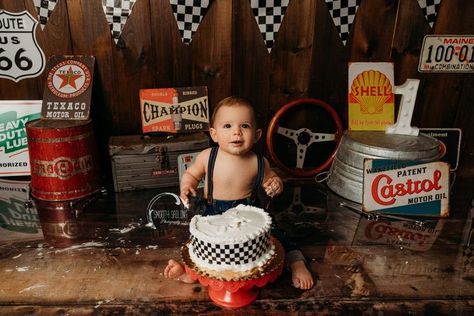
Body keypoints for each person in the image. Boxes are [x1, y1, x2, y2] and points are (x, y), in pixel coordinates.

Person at [164, 96, 314, 290]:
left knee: (277, 236)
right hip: (213, 213)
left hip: (249, 213)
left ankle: (296, 262)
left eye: (244, 126)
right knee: (201, 246)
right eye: (227, 126)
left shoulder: (258, 162)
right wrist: (187, 186)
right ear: (214, 134)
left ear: (257, 134)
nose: (236, 132)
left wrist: (275, 185)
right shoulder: (208, 156)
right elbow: (191, 174)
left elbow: (272, 180)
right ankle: (189, 273)